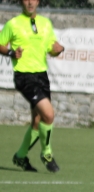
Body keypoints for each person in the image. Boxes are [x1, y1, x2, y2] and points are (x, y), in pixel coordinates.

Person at [0, 0, 64, 173]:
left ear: (38, 2)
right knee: (49, 115)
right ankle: (46, 153)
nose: (30, 2)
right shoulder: (13, 24)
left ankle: (20, 156)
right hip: (24, 76)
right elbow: (0, 44)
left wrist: (57, 49)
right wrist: (12, 52)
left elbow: (51, 49)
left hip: (42, 76)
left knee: (38, 120)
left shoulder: (45, 23)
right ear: (22, 1)